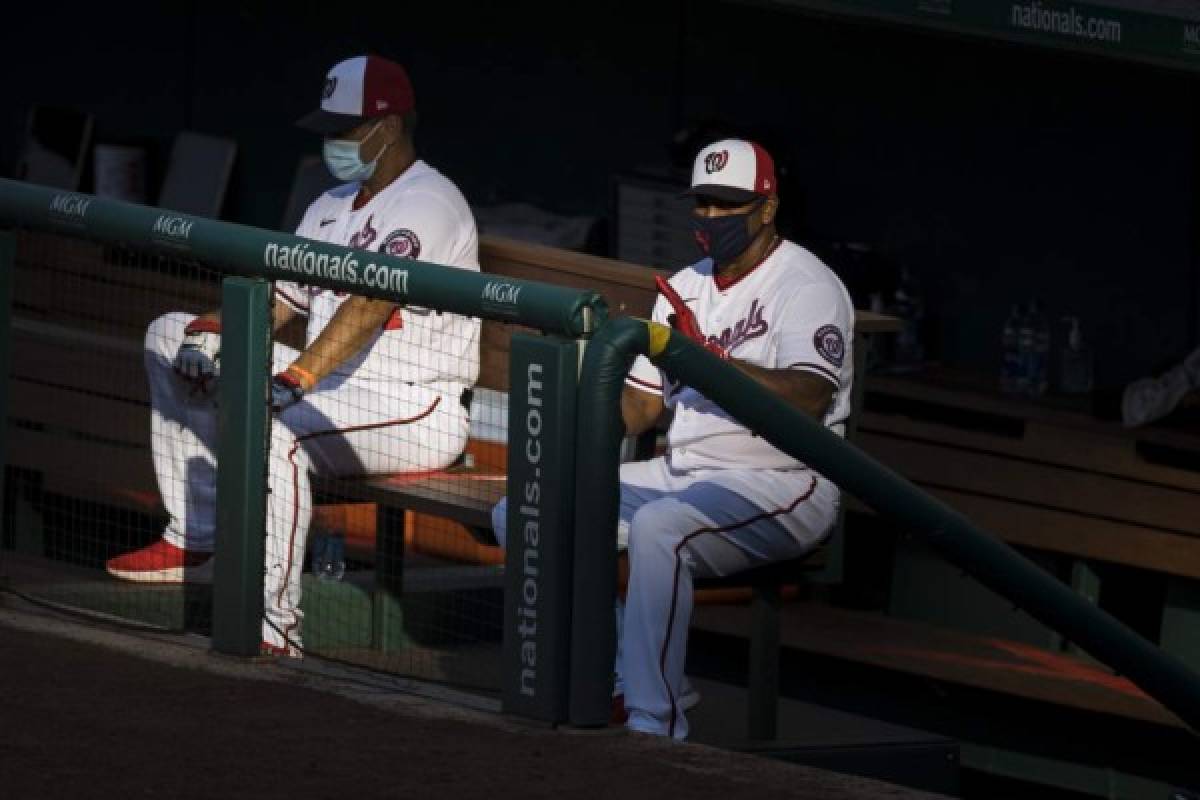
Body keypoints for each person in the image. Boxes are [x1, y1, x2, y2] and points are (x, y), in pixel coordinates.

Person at [105, 54, 481, 656]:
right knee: (167, 333)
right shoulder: (329, 204)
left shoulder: (429, 203)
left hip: (415, 404)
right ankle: (197, 536)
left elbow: (369, 302)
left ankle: (275, 626)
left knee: (279, 432)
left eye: (344, 127)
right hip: (333, 387)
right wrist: (210, 332)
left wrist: (296, 376)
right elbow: (280, 298)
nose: (332, 140)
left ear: (388, 126)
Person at [492, 139, 854, 738]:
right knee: (524, 510)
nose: (711, 217)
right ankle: (619, 675)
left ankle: (653, 723)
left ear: (766, 209)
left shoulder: (807, 284)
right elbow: (636, 410)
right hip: (683, 473)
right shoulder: (684, 286)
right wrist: (578, 375)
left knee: (662, 528)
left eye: (728, 204)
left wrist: (708, 359)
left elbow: (809, 397)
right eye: (704, 203)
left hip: (782, 483)